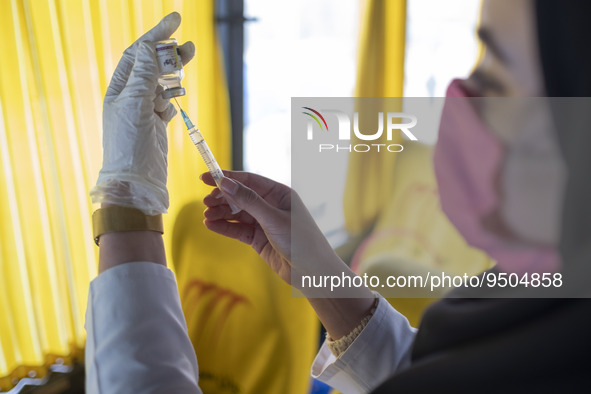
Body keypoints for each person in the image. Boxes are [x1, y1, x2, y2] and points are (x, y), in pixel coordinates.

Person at [86, 1, 591, 393]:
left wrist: (127, 203)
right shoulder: (543, 314)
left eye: (494, 79)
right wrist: (323, 274)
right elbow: (417, 369)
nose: (456, 100)